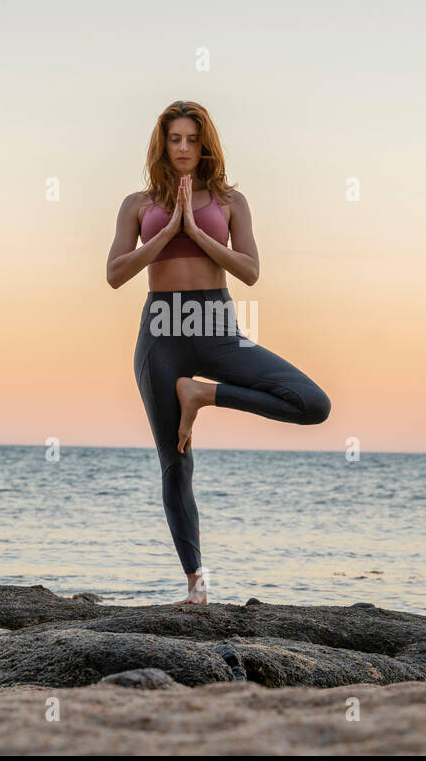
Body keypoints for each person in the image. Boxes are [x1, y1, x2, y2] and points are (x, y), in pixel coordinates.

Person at [105, 100, 331, 604]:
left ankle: (204, 393)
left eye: (192, 139)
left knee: (312, 404)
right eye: (174, 139)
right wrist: (167, 233)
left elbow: (250, 271)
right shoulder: (137, 204)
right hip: (161, 332)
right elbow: (115, 274)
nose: (183, 148)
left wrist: (198, 232)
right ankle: (197, 585)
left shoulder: (230, 200)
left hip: (217, 324)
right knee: (176, 463)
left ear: (205, 144)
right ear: (161, 145)